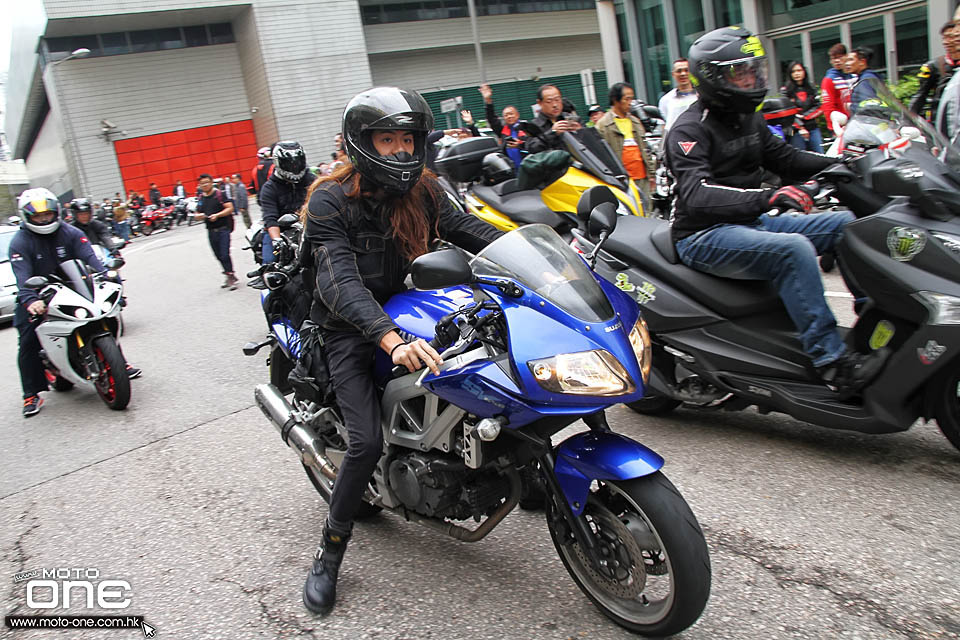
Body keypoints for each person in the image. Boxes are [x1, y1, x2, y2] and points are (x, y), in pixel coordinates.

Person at [299, 86, 502, 616]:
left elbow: (469, 229)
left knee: (495, 372)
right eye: (386, 140)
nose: (399, 151)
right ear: (360, 144)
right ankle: (330, 551)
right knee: (364, 444)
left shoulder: (427, 190)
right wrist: (388, 337)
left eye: (407, 140)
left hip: (416, 309)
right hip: (347, 324)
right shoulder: (328, 201)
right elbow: (340, 282)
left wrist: (535, 244)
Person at [665, 26, 887, 398]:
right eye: (742, 72)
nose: (752, 78)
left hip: (751, 221)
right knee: (794, 249)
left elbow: (785, 158)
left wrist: (839, 164)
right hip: (702, 234)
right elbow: (697, 194)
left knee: (848, 226)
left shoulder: (748, 117)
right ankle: (831, 363)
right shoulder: (689, 130)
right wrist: (768, 197)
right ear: (714, 77)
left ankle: (872, 323)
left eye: (754, 70)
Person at [10, 189, 140, 416]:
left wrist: (106, 275)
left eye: (47, 214)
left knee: (102, 317)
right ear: (27, 217)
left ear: (56, 212)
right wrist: (30, 300)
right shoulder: (20, 242)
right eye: (38, 216)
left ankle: (120, 364)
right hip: (38, 292)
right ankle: (30, 394)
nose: (43, 219)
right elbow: (22, 276)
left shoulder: (69, 232)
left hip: (72, 287)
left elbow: (89, 256)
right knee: (28, 340)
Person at [258, 141, 316, 265]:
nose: (294, 167)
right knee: (270, 260)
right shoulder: (269, 188)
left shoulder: (311, 180)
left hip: (310, 226)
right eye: (289, 164)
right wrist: (277, 240)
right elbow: (270, 218)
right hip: (281, 231)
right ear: (278, 162)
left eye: (297, 162)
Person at [595, 82, 656, 199]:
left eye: (631, 99)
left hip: (642, 177)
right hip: (621, 181)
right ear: (615, 100)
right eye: (626, 99)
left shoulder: (636, 122)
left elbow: (645, 149)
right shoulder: (603, 125)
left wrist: (651, 174)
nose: (630, 103)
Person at [193, 173, 238, 289]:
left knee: (224, 254)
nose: (205, 185)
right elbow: (197, 213)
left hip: (223, 229)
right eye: (202, 183)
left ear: (212, 182)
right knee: (218, 255)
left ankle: (231, 275)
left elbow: (230, 208)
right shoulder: (201, 198)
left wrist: (217, 215)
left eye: (207, 182)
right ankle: (228, 273)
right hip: (211, 231)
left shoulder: (220, 194)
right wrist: (199, 216)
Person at [909, 21, 960, 121]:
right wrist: (907, 120)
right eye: (944, 38)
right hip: (942, 122)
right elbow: (920, 96)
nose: (946, 42)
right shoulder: (934, 65)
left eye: (951, 37)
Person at [479, 83, 527, 168]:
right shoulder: (503, 130)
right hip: (511, 169)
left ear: (517, 115)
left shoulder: (527, 128)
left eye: (511, 114)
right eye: (506, 115)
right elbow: (491, 118)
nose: (509, 116)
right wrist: (488, 100)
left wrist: (520, 145)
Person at [523, 84, 581, 154]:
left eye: (557, 100)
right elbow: (531, 148)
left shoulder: (572, 119)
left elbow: (591, 142)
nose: (555, 105)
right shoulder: (533, 126)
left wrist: (580, 131)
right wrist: (552, 133)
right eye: (549, 101)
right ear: (539, 103)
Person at [781, 61, 824, 153]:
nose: (796, 74)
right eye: (793, 71)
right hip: (796, 131)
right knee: (800, 158)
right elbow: (786, 111)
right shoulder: (785, 91)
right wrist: (800, 127)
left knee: (820, 155)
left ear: (804, 71)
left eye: (799, 70)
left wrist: (805, 116)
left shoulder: (811, 88)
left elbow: (819, 107)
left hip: (813, 127)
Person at [820, 43, 853, 133]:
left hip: (858, 123)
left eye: (840, 57)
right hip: (841, 127)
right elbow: (828, 106)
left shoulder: (854, 76)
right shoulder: (829, 80)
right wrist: (833, 128)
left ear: (847, 56)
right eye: (834, 58)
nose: (837, 61)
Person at [658, 58, 698, 131]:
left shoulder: (700, 95)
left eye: (686, 70)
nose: (683, 74)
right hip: (676, 139)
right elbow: (664, 127)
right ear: (673, 74)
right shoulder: (665, 100)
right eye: (679, 71)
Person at [847, 47, 882, 113]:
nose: (847, 64)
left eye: (851, 60)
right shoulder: (868, 77)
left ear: (862, 62)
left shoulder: (865, 80)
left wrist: (851, 106)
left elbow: (869, 106)